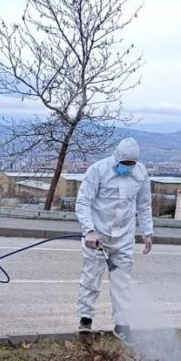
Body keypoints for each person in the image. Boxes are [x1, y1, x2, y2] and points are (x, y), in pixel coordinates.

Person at [75, 137, 153, 340]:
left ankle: (121, 324)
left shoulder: (141, 174)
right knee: (91, 279)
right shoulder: (98, 170)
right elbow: (83, 201)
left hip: (124, 237)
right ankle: (85, 319)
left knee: (122, 282)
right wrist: (89, 230)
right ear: (116, 157)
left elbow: (144, 205)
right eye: (124, 164)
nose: (128, 168)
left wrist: (147, 232)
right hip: (98, 235)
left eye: (131, 164)